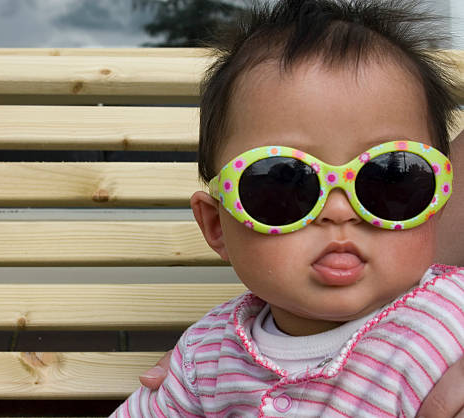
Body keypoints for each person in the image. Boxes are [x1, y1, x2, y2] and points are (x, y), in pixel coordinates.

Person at [112, 0, 464, 416]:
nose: (339, 212)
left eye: (390, 178)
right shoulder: (205, 356)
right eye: (286, 182)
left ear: (439, 200)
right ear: (216, 226)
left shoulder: (452, 316)